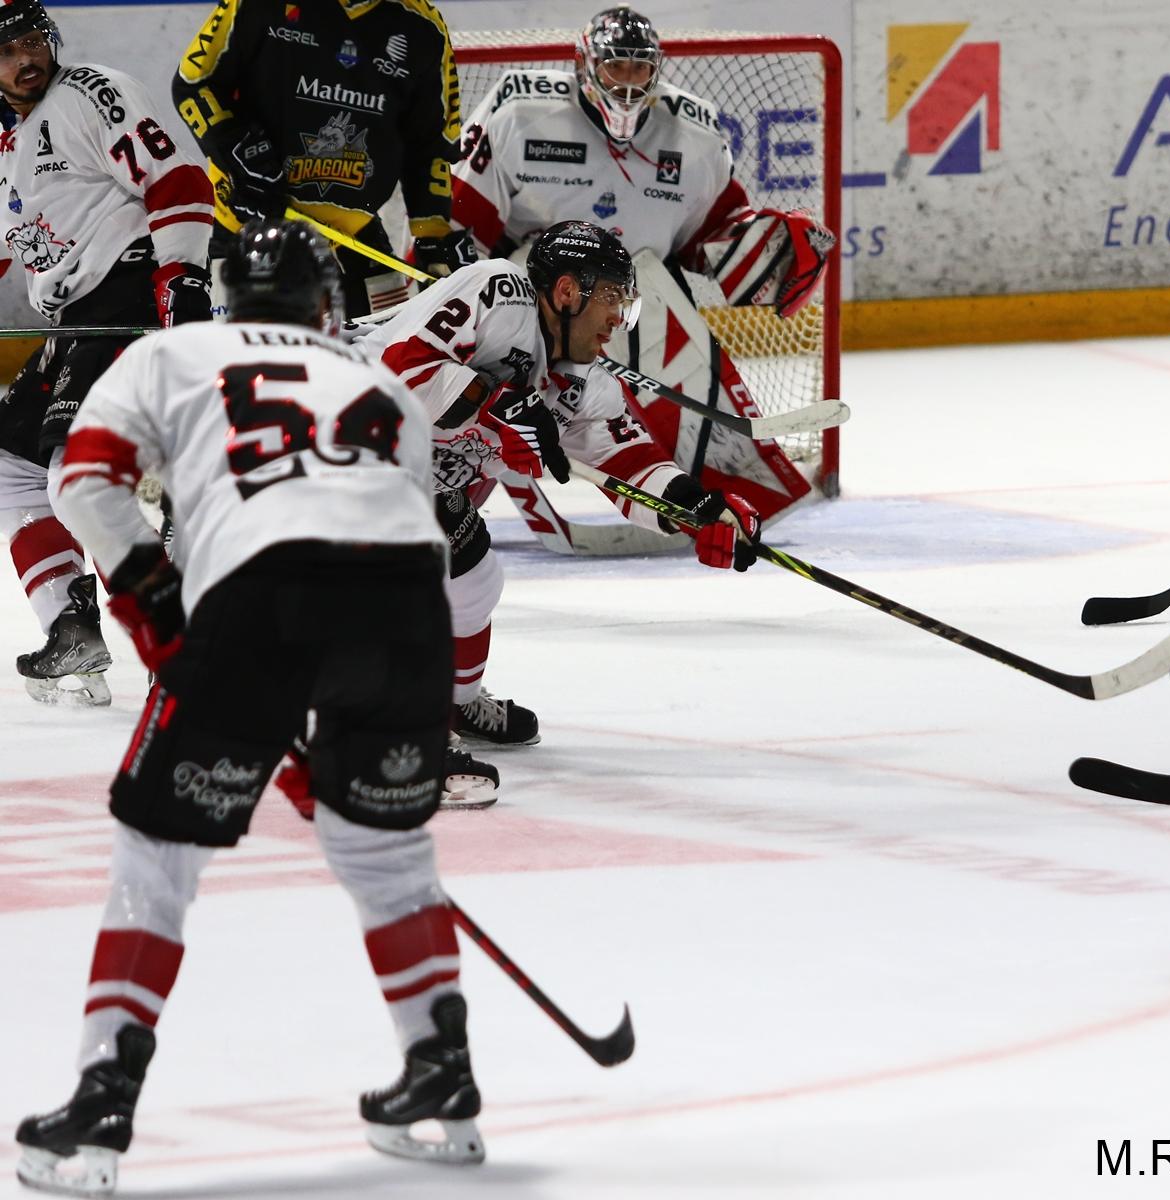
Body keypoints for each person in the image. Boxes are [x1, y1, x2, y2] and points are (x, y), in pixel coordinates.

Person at [14, 222, 484, 1199]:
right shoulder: (382, 384)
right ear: (327, 305)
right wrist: (325, 730)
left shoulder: (173, 352)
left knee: (158, 858)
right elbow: (386, 533)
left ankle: (102, 1098)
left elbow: (82, 481)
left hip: (262, 599)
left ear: (228, 295)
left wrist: (156, 607)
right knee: (386, 852)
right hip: (410, 616)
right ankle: (441, 1070)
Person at [350, 218, 762, 750]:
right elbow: (398, 372)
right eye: (610, 297)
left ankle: (451, 703)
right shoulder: (498, 292)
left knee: (474, 578)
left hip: (414, 479)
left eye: (625, 303)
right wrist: (496, 405)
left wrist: (699, 510)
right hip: (340, 436)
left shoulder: (587, 385)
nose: (617, 318)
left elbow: (630, 463)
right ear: (567, 291)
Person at [449, 5, 834, 524]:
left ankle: (713, 494)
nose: (628, 81)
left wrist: (770, 252)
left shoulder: (694, 135)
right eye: (616, 66)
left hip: (640, 297)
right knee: (494, 397)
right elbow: (460, 224)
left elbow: (712, 233)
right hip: (537, 296)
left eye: (640, 67)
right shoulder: (519, 113)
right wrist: (466, 321)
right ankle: (454, 481)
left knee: (649, 303)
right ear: (585, 66)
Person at [0, 0, 215, 705]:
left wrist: (182, 281)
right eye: (6, 51)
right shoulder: (6, 143)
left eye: (32, 41)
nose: (26, 59)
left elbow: (178, 178)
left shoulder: (90, 91)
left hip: (126, 296)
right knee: (10, 466)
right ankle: (72, 626)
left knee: (78, 476)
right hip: (74, 324)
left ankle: (176, 634)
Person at [171, 0, 473, 317]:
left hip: (354, 239)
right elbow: (194, 84)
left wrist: (433, 236)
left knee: (391, 346)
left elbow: (428, 145)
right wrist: (239, 154)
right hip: (246, 230)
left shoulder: (423, 25)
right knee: (240, 350)